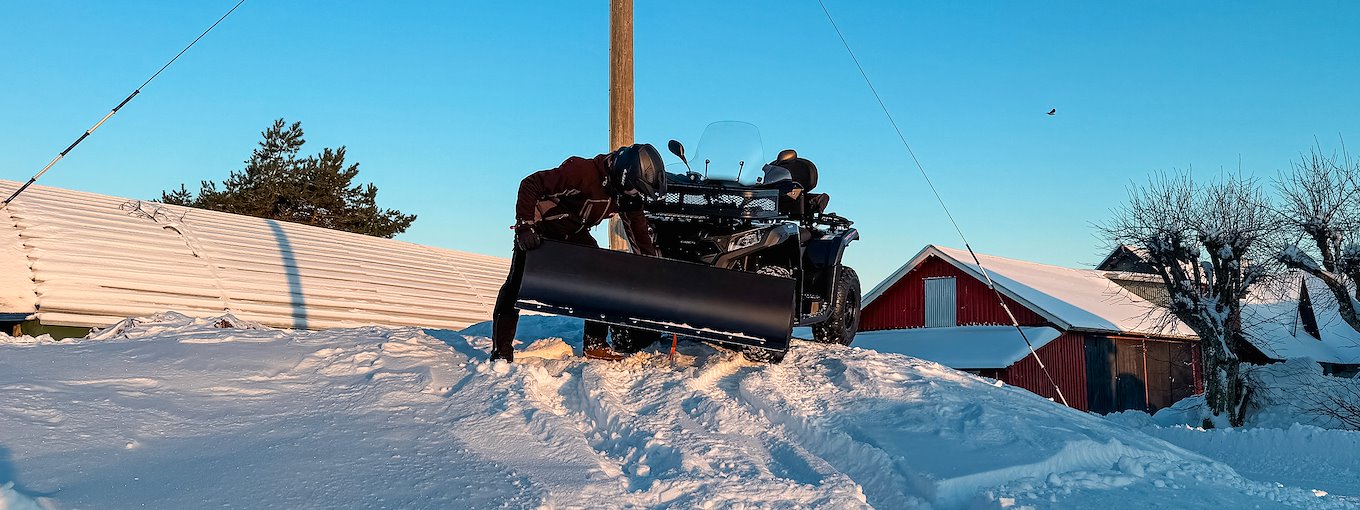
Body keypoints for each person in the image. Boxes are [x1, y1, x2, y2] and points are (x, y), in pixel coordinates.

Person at [490, 143, 667, 362]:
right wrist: (525, 225)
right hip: (541, 227)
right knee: (517, 284)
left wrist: (649, 265)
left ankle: (595, 345)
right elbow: (530, 184)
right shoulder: (582, 173)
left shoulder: (626, 195)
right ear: (625, 175)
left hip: (573, 230)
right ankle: (501, 350)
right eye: (635, 189)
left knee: (602, 277)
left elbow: (638, 229)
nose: (636, 195)